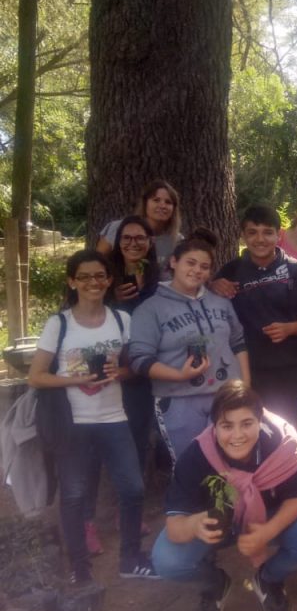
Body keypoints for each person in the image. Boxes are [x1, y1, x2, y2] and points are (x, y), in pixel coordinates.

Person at [151, 381, 297, 611]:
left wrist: (267, 532)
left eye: (247, 423)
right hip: (215, 522)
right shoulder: (196, 456)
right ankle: (214, 584)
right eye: (226, 425)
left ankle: (269, 578)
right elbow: (174, 527)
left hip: (265, 518)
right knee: (167, 560)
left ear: (260, 421)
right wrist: (194, 524)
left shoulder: (282, 445)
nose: (237, 435)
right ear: (214, 426)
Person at [27, 250, 157, 584]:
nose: (93, 283)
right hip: (73, 422)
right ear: (72, 281)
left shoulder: (120, 321)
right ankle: (80, 568)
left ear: (109, 279)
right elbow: (37, 376)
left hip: (114, 417)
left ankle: (130, 558)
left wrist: (120, 370)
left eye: (99, 276)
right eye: (84, 277)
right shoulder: (60, 323)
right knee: (73, 495)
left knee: (132, 488)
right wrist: (77, 379)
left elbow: (133, 368)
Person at [128, 232, 250, 463]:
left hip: (226, 395)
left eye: (204, 266)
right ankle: (189, 501)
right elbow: (139, 359)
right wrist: (178, 374)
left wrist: (246, 387)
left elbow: (238, 343)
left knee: (229, 462)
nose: (197, 270)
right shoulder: (151, 308)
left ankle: (226, 502)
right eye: (190, 263)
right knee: (189, 465)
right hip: (179, 399)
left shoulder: (221, 302)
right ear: (174, 262)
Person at [210, 205, 297, 427]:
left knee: (285, 433)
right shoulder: (230, 271)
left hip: (290, 371)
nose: (260, 239)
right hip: (245, 372)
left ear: (279, 235)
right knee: (247, 430)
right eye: (252, 232)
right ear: (243, 235)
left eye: (267, 232)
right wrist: (212, 285)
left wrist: (291, 328)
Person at [107, 216, 161, 472]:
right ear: (118, 243)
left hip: (151, 366)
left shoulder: (159, 278)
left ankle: (143, 484)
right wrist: (110, 295)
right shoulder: (106, 275)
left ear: (150, 243)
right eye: (126, 238)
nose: (133, 243)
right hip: (116, 366)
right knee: (121, 431)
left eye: (140, 237)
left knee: (142, 428)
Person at [96, 179, 183, 279]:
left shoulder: (177, 240)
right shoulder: (118, 228)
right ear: (145, 203)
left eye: (168, 202)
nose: (162, 205)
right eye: (156, 200)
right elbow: (96, 262)